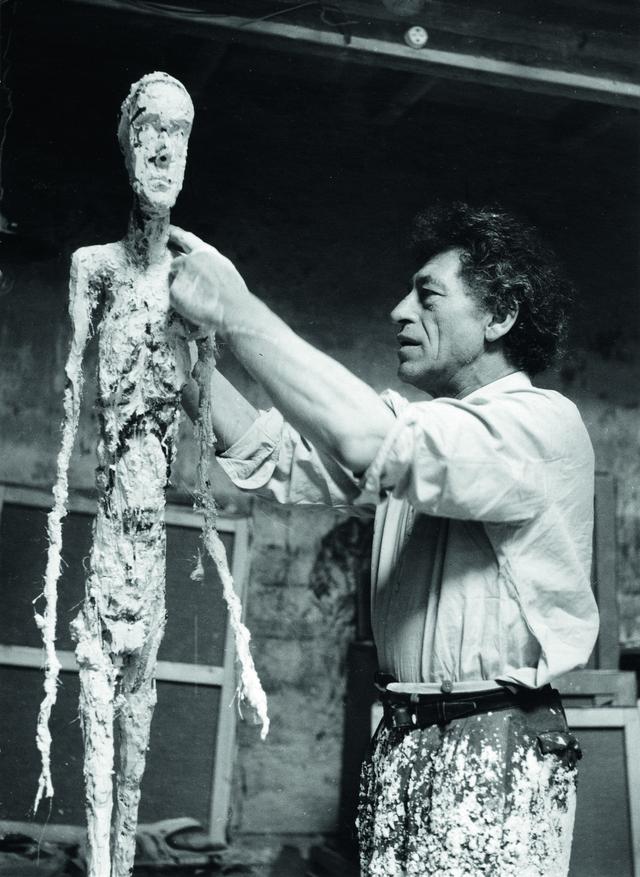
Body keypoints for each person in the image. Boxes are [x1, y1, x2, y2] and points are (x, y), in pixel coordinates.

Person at [168, 202, 599, 876]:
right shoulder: (427, 434)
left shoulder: (539, 426)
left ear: (500, 315)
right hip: (406, 733)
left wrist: (235, 308)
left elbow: (371, 439)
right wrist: (180, 354)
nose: (399, 310)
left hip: (493, 740)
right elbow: (272, 452)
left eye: (427, 294)